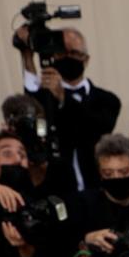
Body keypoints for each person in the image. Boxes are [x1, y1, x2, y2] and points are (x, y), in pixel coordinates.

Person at [17, 24, 120, 192]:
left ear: (86, 59)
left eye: (74, 53)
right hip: (58, 189)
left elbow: (97, 128)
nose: (67, 57)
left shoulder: (107, 100)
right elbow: (31, 102)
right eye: (62, 53)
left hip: (96, 189)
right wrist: (27, 55)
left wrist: (63, 96)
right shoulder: (45, 98)